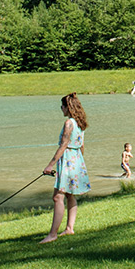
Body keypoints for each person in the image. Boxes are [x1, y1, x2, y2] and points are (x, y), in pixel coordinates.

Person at [41, 93, 90, 244]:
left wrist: (50, 165)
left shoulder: (69, 123)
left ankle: (53, 234)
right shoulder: (80, 122)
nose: (61, 109)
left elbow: (63, 145)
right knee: (70, 194)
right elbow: (82, 146)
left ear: (67, 107)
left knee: (58, 197)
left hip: (68, 159)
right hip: (77, 159)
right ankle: (69, 228)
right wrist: (79, 164)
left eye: (62, 106)